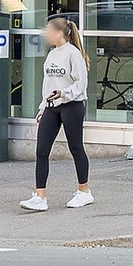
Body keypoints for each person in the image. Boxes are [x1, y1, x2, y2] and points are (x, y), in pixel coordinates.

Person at [21, 16, 93, 211]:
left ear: (59, 33)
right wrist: (43, 106)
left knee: (76, 147)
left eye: (49, 31)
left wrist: (65, 93)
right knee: (41, 150)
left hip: (72, 105)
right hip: (52, 107)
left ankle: (84, 191)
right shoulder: (52, 55)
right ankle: (40, 196)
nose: (46, 34)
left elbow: (81, 84)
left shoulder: (73, 54)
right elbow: (48, 84)